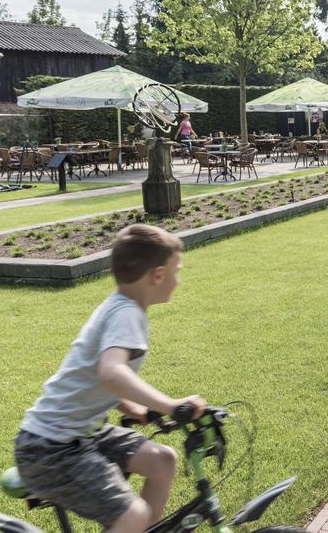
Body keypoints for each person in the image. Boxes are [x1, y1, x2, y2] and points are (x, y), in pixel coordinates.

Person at [14, 224, 207, 533]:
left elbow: (94, 376)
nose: (178, 279)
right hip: (50, 449)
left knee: (162, 461)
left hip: (84, 435)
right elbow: (111, 372)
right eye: (177, 270)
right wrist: (172, 405)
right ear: (157, 275)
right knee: (133, 514)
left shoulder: (119, 306)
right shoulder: (126, 314)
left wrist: (132, 407)